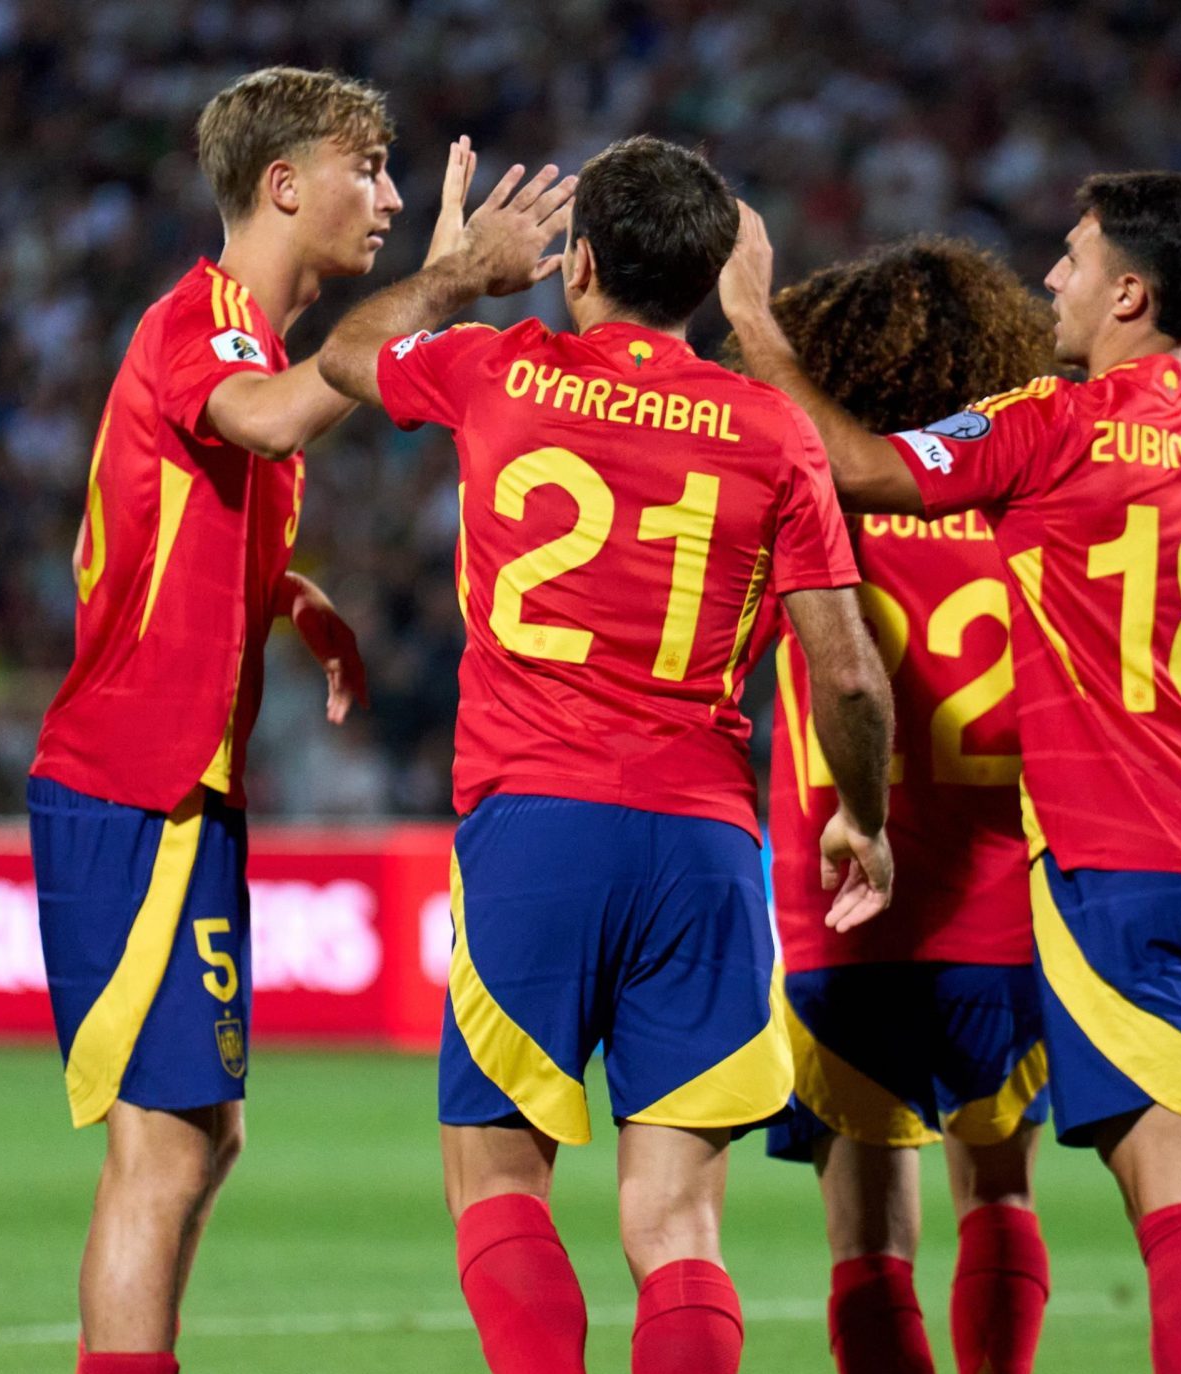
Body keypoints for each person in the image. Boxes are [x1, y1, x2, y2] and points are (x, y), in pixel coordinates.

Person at [724, 171, 1181, 1374]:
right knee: (1135, 1203)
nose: (1052, 279)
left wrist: (756, 325)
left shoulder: (1041, 433)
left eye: (1072, 258)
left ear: (1131, 291)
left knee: (1167, 1223)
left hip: (1094, 875)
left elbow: (854, 472)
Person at [317, 135, 896, 1374]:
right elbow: (847, 670)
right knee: (679, 1225)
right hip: (701, 844)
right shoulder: (768, 430)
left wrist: (460, 275)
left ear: (575, 264)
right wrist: (866, 815)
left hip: (535, 827)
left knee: (498, 1180)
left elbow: (345, 356)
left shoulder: (503, 370)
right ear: (702, 280)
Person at [25, 66, 412, 1374]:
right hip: (135, 781)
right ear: (284, 183)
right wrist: (450, 291)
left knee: (202, 1129)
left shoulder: (228, 333)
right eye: (370, 166)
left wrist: (295, 603)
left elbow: (168, 518)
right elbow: (263, 409)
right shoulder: (208, 327)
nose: (392, 196)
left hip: (172, 785)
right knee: (169, 1140)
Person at [731, 237, 1059, 1374]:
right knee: (1001, 1192)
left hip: (845, 917)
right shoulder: (1030, 507)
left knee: (866, 1238)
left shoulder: (812, 500)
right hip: (1004, 913)